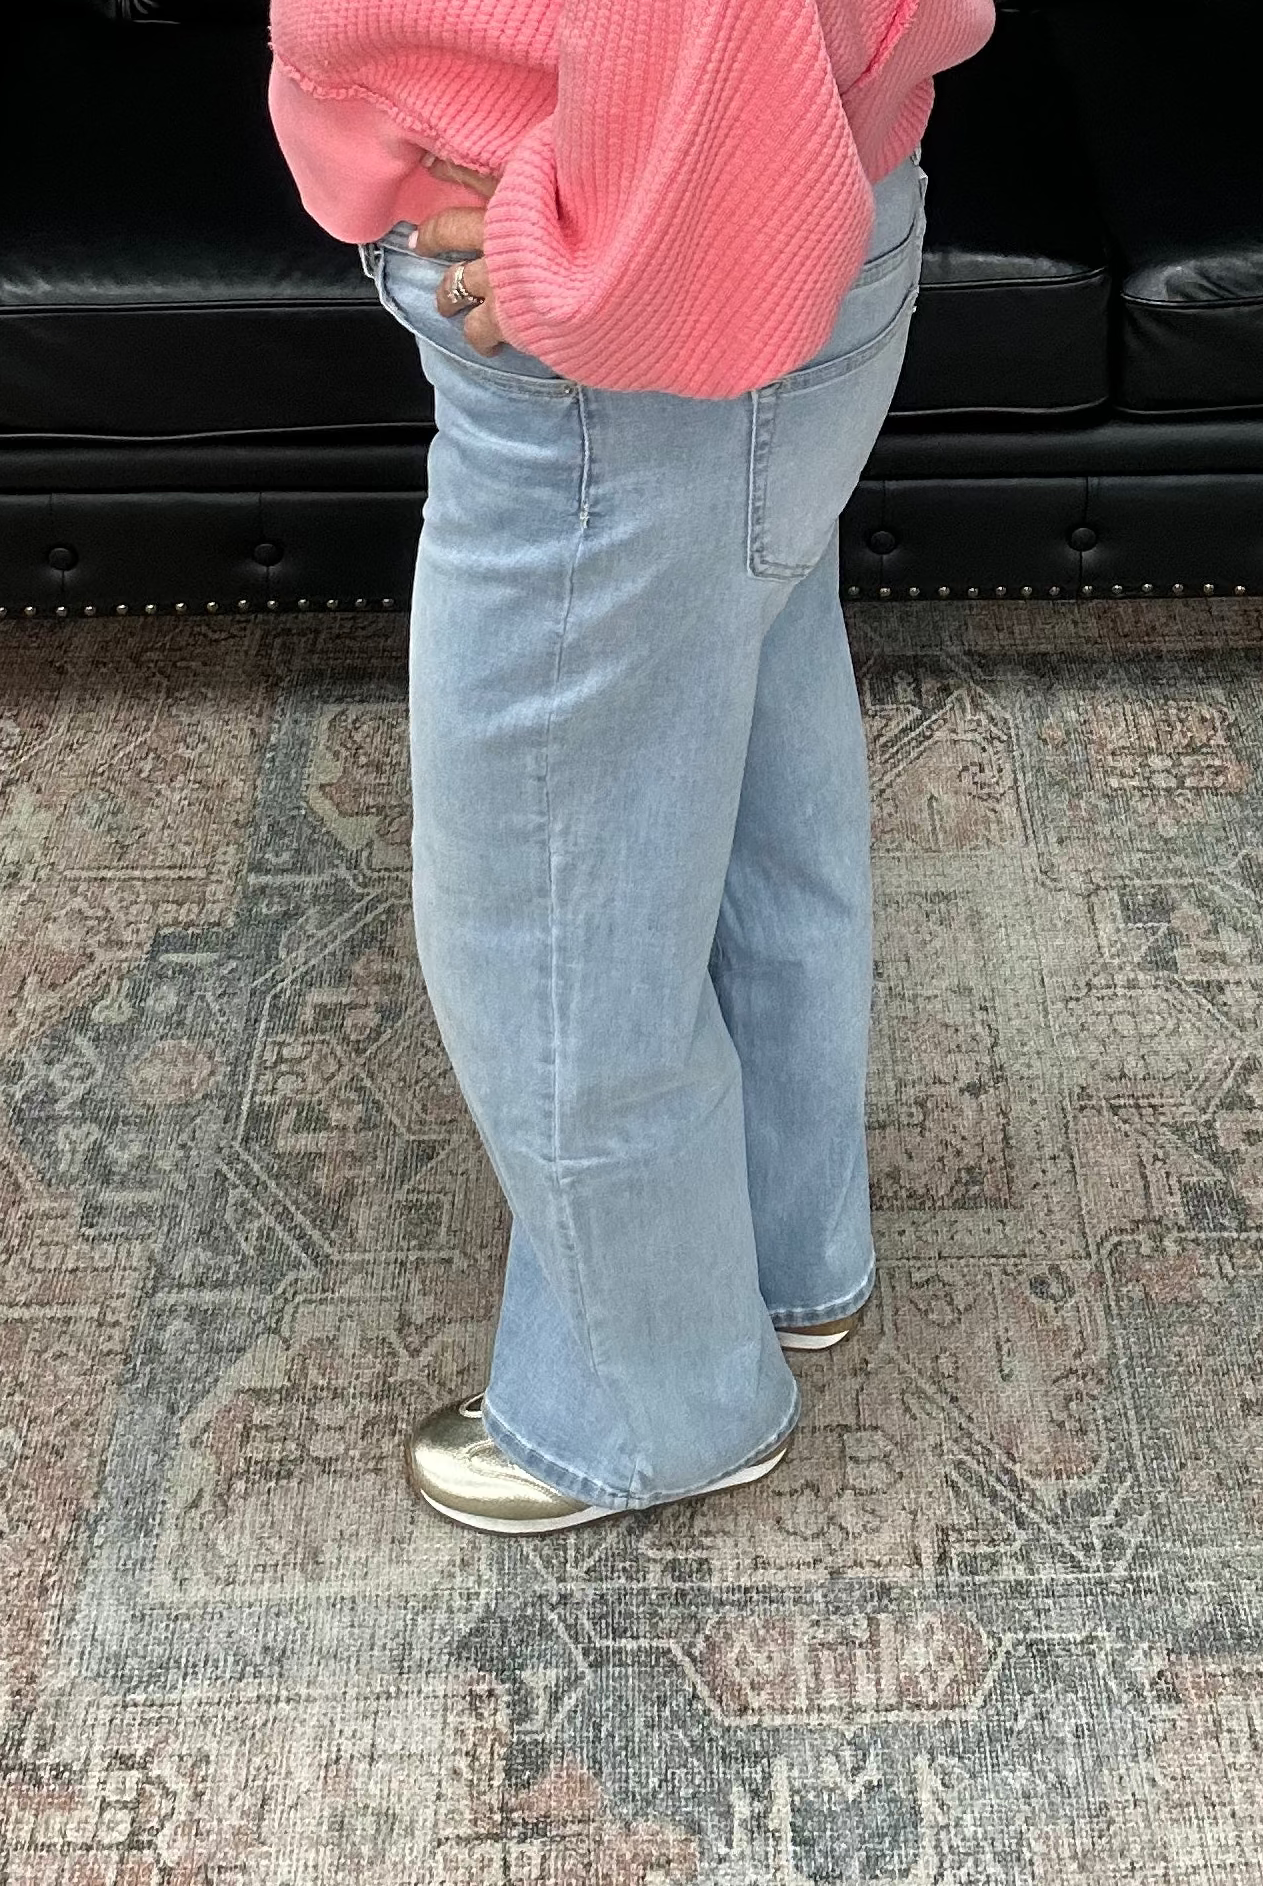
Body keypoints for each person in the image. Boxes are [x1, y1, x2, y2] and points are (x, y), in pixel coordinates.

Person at [266, 0, 997, 1534]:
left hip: (645, 293)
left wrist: (594, 268)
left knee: (542, 918)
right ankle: (783, 1260)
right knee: (746, 795)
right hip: (793, 199)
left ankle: (649, 1404)